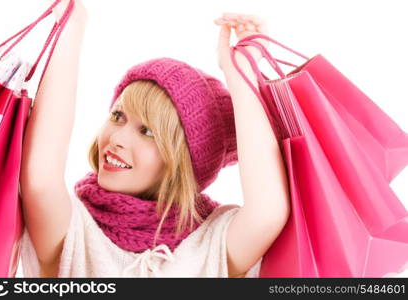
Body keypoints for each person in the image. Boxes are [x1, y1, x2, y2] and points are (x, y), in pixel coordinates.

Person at [19, 0, 291, 277]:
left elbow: (267, 211)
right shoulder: (72, 226)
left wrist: (241, 73)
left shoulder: (211, 244)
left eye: (147, 132)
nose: (118, 138)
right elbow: (40, 177)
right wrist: (71, 28)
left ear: (185, 162)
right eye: (118, 116)